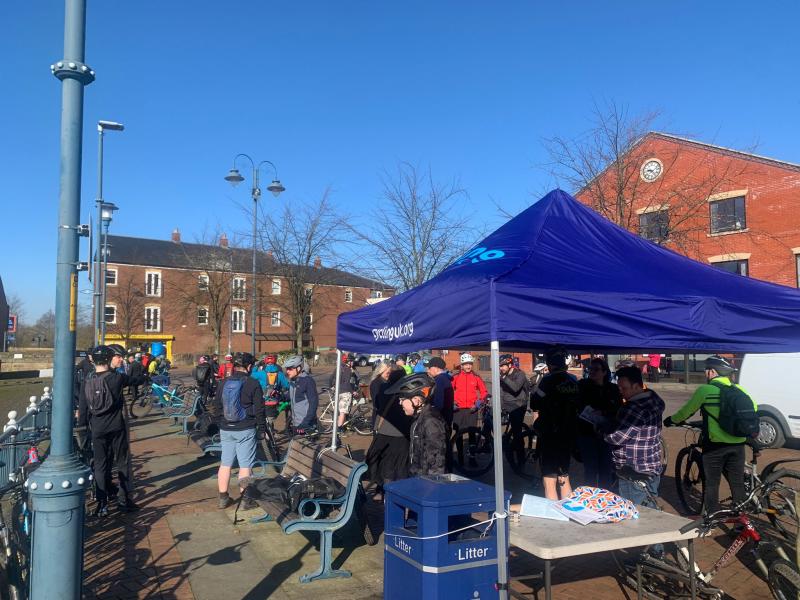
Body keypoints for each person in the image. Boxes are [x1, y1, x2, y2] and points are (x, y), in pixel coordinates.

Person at [664, 355, 756, 513]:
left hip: (715, 447)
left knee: (712, 483)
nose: (705, 373)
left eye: (707, 370)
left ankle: (712, 518)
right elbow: (753, 409)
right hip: (738, 445)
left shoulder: (705, 390)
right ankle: (740, 522)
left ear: (713, 372)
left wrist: (670, 420)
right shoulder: (740, 389)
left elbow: (685, 412)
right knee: (737, 484)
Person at [79, 344, 148, 516]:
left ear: (92, 360)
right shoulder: (117, 378)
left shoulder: (86, 381)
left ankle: (102, 504)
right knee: (122, 462)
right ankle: (123, 501)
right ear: (109, 359)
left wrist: (84, 428)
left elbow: (83, 411)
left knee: (101, 466)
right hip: (116, 427)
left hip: (97, 429)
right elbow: (136, 380)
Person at [211, 352, 266, 510]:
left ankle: (223, 497)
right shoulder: (253, 383)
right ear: (249, 367)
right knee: (245, 465)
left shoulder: (223, 382)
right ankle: (245, 500)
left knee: (225, 463)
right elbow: (260, 409)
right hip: (245, 429)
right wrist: (261, 429)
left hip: (226, 428)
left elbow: (217, 406)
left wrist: (219, 423)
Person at [604, 366, 665, 508]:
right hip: (652, 465)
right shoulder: (653, 398)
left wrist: (602, 429)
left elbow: (616, 437)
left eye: (624, 388)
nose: (620, 391)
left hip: (632, 469)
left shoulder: (633, 407)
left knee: (634, 514)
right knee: (650, 511)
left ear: (637, 386)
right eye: (619, 387)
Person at [531, 347, 578, 500]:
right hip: (569, 432)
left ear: (550, 365)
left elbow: (535, 403)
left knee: (549, 479)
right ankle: (569, 509)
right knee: (564, 476)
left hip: (550, 433)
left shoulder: (547, 381)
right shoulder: (573, 379)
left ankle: (554, 515)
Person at [366, 363, 411, 500]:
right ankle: (396, 496)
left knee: (385, 462)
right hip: (401, 433)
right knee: (400, 465)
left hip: (383, 429)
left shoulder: (384, 387)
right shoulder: (406, 392)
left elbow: (378, 405)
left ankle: (382, 491)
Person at [389, 373, 447, 477]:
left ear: (416, 400)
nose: (399, 403)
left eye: (402, 399)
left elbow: (437, 462)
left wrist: (431, 486)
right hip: (417, 477)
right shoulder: (418, 418)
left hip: (426, 483)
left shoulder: (431, 422)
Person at [576, 358, 621, 489]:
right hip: (587, 433)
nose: (592, 372)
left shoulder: (612, 388)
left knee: (605, 470)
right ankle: (590, 498)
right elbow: (577, 404)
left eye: (596, 369)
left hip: (606, 435)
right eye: (590, 369)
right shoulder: (583, 385)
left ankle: (604, 498)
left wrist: (603, 412)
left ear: (605, 372)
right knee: (590, 470)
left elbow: (618, 408)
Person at [499, 353, 530, 474]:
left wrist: (504, 378)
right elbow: (501, 392)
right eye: (500, 366)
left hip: (518, 405)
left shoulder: (520, 374)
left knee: (517, 433)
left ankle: (521, 460)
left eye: (503, 366)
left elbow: (516, 388)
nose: (501, 368)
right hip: (507, 405)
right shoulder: (503, 375)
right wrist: (498, 405)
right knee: (488, 419)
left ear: (510, 364)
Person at [451, 352, 488, 437]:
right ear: (461, 365)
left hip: (472, 409)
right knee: (458, 433)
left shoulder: (476, 377)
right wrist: (452, 402)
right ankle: (460, 451)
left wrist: (479, 402)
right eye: (466, 364)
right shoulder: (456, 376)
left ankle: (472, 450)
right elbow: (448, 391)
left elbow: (484, 392)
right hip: (458, 410)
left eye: (470, 364)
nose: (468, 366)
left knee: (472, 432)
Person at [283, 355, 319, 433]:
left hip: (306, 424)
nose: (287, 371)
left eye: (290, 369)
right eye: (287, 369)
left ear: (298, 368)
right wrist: (279, 395)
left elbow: (314, 403)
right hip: (296, 423)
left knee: (302, 445)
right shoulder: (293, 381)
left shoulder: (308, 381)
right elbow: (292, 396)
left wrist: (305, 423)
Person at [329, 353, 359, 430]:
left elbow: (331, 378)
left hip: (337, 392)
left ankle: (341, 426)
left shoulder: (338, 368)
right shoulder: (348, 370)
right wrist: (353, 392)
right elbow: (347, 384)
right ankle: (338, 429)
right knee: (343, 411)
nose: (353, 363)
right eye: (352, 361)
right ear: (348, 361)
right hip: (345, 392)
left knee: (339, 411)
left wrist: (332, 386)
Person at [125, 351, 146, 419]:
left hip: (132, 379)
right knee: (136, 389)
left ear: (132, 359)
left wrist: (127, 379)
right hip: (138, 379)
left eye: (129, 359)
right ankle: (135, 397)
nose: (129, 360)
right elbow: (143, 369)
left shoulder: (132, 365)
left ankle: (134, 399)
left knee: (133, 389)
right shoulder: (139, 363)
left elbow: (129, 373)